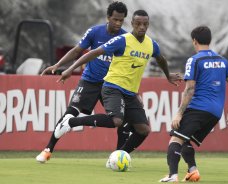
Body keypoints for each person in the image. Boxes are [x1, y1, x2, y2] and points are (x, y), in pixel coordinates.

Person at [53, 10, 181, 156]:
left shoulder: (151, 45)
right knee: (117, 121)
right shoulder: (122, 40)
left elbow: (161, 59)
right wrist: (70, 68)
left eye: (145, 24)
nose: (142, 27)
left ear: (148, 25)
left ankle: (119, 155)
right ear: (132, 23)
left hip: (130, 92)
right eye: (138, 24)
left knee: (143, 130)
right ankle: (71, 122)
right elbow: (93, 53)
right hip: (112, 87)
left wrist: (167, 75)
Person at [36, 1, 129, 163]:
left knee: (122, 119)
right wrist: (59, 65)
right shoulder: (95, 32)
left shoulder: (126, 38)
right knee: (70, 113)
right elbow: (77, 51)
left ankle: (117, 156)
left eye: (121, 20)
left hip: (112, 84)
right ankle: (48, 149)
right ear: (108, 17)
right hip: (90, 81)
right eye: (115, 19)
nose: (118, 23)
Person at [159, 26, 228, 182]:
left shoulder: (194, 60)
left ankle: (172, 176)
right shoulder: (222, 61)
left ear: (194, 41)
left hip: (198, 108)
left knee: (175, 139)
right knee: (185, 140)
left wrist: (179, 113)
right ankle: (192, 170)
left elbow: (190, 89)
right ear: (209, 40)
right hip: (216, 113)